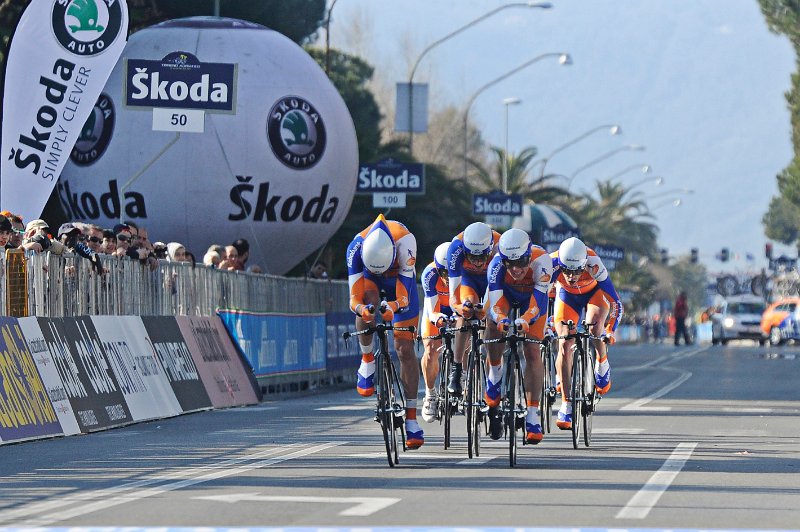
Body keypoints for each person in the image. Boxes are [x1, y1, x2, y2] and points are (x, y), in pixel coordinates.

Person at [345, 214, 423, 449]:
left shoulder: (406, 242)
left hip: (398, 280)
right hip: (369, 282)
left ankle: (411, 419)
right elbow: (354, 298)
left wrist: (394, 307)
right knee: (367, 303)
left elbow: (404, 295)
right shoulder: (355, 248)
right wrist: (363, 309)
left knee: (404, 349)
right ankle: (367, 359)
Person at [484, 228, 554, 443]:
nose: (515, 269)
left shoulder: (543, 261)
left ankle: (533, 415)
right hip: (505, 296)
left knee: (533, 350)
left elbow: (539, 303)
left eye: (521, 262)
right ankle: (495, 373)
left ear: (529, 254)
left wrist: (526, 319)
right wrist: (501, 319)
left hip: (532, 300)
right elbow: (495, 305)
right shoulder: (495, 265)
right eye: (509, 264)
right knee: (493, 326)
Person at [551, 237, 622, 430]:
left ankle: (602, 360)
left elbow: (616, 303)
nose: (572, 276)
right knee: (564, 343)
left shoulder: (594, 264)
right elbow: (539, 295)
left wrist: (610, 330)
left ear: (584, 265)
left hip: (594, 294)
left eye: (577, 271)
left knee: (594, 327)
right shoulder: (551, 263)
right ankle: (566, 403)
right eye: (567, 271)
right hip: (566, 297)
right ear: (560, 264)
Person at [445, 222, 500, 397]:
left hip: (492, 280)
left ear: (490, 248)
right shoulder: (455, 248)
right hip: (469, 281)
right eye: (472, 257)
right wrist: (460, 307)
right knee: (466, 311)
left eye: (482, 257)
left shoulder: (500, 247)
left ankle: (494, 373)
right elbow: (453, 297)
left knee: (492, 319)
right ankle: (457, 368)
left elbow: (496, 288)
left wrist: (486, 308)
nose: (477, 262)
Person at [419, 242, 454, 423]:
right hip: (436, 308)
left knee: (468, 340)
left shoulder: (465, 270)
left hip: (458, 306)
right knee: (431, 349)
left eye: (451, 272)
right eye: (444, 273)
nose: (447, 277)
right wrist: (436, 318)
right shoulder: (430, 273)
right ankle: (430, 393)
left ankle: (462, 377)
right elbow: (431, 308)